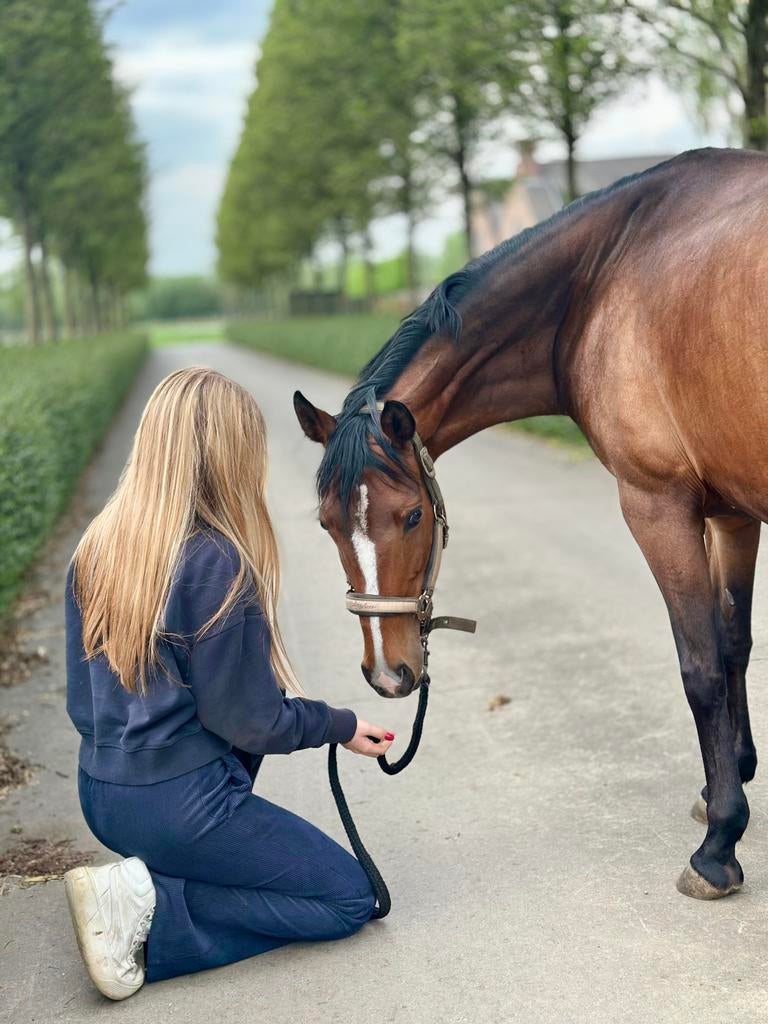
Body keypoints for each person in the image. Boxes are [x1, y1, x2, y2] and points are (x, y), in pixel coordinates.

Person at [63, 366, 394, 1000]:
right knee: (348, 897)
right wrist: (340, 725)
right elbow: (249, 722)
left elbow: (84, 700)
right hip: (179, 808)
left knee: (260, 854)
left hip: (101, 794)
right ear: (228, 456)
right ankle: (146, 917)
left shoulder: (96, 546)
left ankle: (146, 881)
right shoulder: (216, 562)